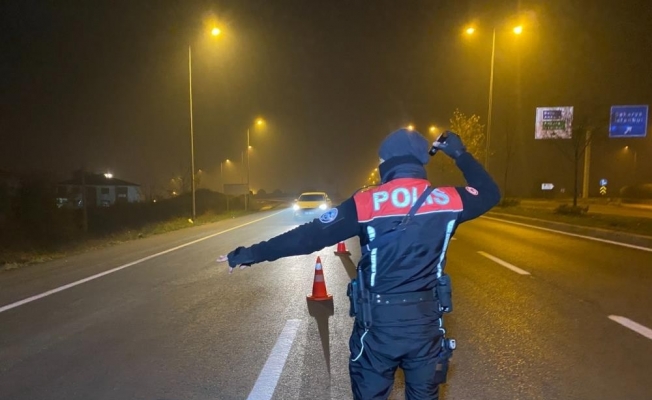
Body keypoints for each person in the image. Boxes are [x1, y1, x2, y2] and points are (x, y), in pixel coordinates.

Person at [218, 128, 501, 399]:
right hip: (426, 326)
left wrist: (250, 254)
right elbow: (490, 193)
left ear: (387, 162)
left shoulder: (366, 202)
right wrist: (459, 154)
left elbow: (307, 237)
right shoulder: (448, 199)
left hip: (377, 327)